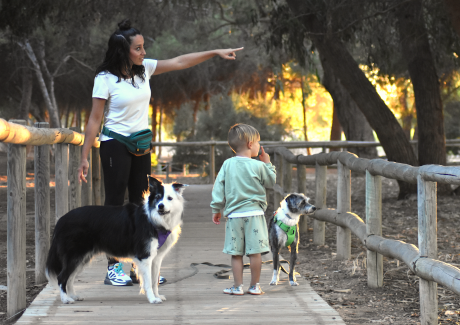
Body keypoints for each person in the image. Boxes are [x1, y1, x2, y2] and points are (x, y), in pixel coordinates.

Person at [77, 19, 243, 286]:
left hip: (141, 143)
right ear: (123, 50)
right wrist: (84, 156)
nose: (144, 52)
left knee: (142, 204)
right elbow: (95, 120)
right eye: (138, 48)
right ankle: (113, 268)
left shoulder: (144, 69)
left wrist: (215, 52)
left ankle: (140, 265)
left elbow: (180, 61)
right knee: (114, 203)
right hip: (114, 144)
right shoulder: (105, 79)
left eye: (144, 48)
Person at [211, 124, 276, 295]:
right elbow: (271, 182)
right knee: (255, 253)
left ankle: (237, 286)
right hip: (255, 214)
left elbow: (218, 188)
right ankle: (254, 286)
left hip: (234, 216)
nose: (259, 146)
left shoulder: (227, 164)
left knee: (236, 253)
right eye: (257, 142)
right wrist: (268, 163)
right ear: (250, 143)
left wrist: (216, 208)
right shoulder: (259, 166)